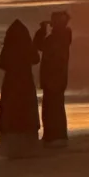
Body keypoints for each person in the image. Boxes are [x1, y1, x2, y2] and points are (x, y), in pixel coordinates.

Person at [0, 18, 40, 156]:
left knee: (11, 109)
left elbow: (2, 64)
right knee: (26, 109)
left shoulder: (9, 46)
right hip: (25, 81)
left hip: (11, 82)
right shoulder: (26, 46)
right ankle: (27, 140)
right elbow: (36, 59)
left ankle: (12, 141)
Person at [34, 10, 73, 147]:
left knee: (51, 109)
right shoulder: (63, 37)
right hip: (58, 78)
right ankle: (57, 135)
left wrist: (41, 31)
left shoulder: (56, 39)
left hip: (52, 78)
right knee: (56, 108)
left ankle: (53, 136)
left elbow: (39, 46)